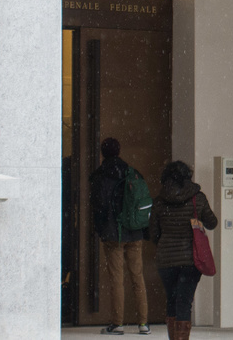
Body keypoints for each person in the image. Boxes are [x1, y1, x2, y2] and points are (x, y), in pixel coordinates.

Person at [149, 160, 217, 340]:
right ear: (187, 176)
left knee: (171, 299)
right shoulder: (197, 198)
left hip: (166, 259)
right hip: (190, 259)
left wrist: (167, 241)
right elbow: (212, 223)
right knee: (184, 302)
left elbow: (153, 233)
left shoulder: (159, 201)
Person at [89, 137, 150, 335]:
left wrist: (101, 229)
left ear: (102, 153)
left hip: (113, 234)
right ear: (119, 151)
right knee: (137, 277)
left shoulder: (101, 176)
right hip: (134, 231)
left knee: (117, 280)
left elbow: (98, 206)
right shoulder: (132, 172)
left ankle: (118, 323)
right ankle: (143, 323)